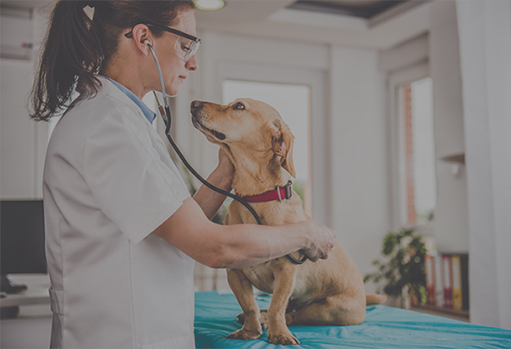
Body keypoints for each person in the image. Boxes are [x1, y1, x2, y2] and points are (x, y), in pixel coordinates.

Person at [30, 1, 336, 348]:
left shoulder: (123, 122)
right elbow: (212, 247)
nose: (193, 62)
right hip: (121, 336)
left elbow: (169, 226)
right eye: (186, 45)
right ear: (144, 38)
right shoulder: (108, 129)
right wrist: (306, 233)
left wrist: (224, 175)